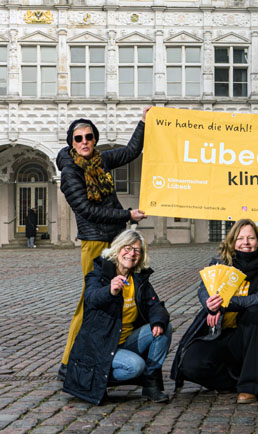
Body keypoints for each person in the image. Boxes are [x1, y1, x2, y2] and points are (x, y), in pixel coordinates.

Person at [56, 107, 151, 379]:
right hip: (95, 243)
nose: (84, 142)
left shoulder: (102, 161)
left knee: (124, 294)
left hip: (116, 238)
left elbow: (132, 151)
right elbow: (87, 210)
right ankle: (67, 363)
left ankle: (117, 351)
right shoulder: (71, 172)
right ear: (71, 143)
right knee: (91, 301)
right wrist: (127, 215)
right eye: (78, 138)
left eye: (88, 136)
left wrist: (143, 122)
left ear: (95, 139)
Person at [170, 219, 258, 404]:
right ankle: (233, 383)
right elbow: (203, 289)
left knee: (256, 312)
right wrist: (209, 303)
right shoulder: (220, 263)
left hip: (249, 333)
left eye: (251, 238)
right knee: (191, 364)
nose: (245, 243)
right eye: (240, 238)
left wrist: (224, 303)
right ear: (232, 241)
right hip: (219, 331)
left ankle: (250, 387)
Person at [62, 229, 172, 405]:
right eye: (127, 248)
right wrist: (110, 291)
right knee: (135, 366)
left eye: (137, 250)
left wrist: (157, 321)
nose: (132, 253)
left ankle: (151, 385)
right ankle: (97, 379)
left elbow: (155, 305)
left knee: (164, 327)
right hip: (102, 344)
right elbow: (91, 298)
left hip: (127, 341)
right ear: (118, 248)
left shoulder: (138, 278)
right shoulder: (99, 272)